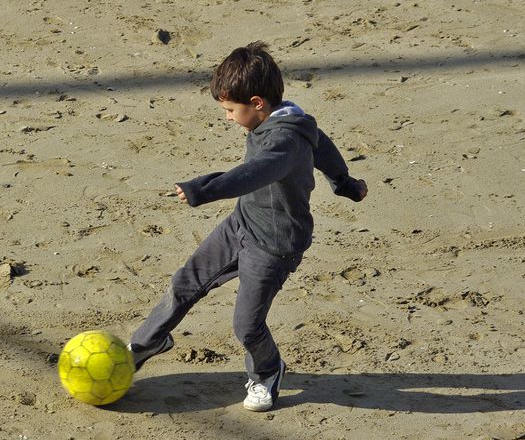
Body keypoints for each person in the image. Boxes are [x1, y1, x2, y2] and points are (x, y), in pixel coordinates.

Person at [128, 42, 367, 411]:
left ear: (257, 103)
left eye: (229, 110)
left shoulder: (285, 141)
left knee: (247, 325)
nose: (227, 118)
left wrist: (202, 189)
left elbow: (254, 173)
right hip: (240, 224)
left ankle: (267, 372)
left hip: (273, 245)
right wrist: (344, 182)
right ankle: (146, 344)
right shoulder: (289, 121)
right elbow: (321, 144)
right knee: (185, 284)